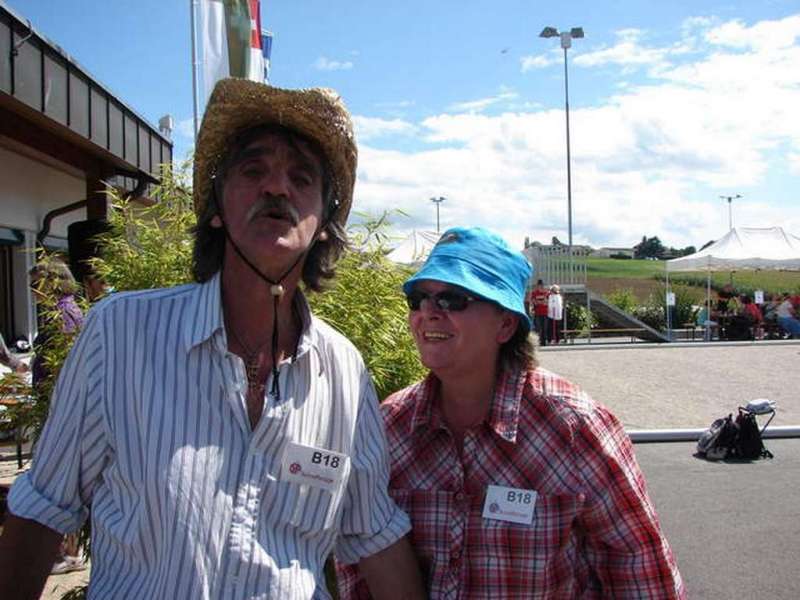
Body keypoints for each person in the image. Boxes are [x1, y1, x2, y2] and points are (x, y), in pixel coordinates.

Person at [0, 79, 424, 600]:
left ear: (323, 225)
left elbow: (373, 533)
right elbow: (43, 508)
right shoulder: (121, 335)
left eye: (302, 177)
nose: (277, 188)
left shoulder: (343, 370)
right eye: (253, 170)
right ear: (216, 206)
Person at [337, 227, 685, 599]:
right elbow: (359, 564)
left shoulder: (575, 428)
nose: (428, 313)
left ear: (505, 324)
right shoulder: (389, 428)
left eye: (452, 299)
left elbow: (641, 571)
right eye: (419, 299)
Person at [27, 257, 88, 576]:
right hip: (56, 404)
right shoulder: (67, 309)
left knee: (55, 481)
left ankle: (63, 552)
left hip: (59, 407)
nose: (32, 292)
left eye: (35, 284)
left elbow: (65, 361)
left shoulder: (63, 312)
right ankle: (69, 551)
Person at [528, 279, 549, 346]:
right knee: (538, 328)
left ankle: (544, 342)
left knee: (545, 328)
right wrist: (541, 302)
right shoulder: (534, 293)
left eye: (541, 285)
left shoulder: (546, 293)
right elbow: (534, 302)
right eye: (539, 285)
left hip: (545, 313)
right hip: (537, 313)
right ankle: (539, 342)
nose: (540, 286)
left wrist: (539, 302)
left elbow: (546, 302)